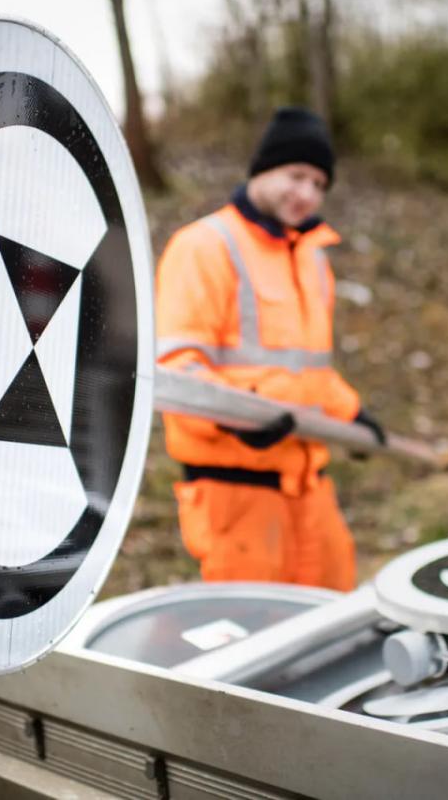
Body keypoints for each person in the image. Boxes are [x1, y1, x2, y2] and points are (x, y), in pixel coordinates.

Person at [155, 107, 383, 591]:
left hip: (311, 488)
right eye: (297, 175)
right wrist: (244, 413)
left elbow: (309, 370)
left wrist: (352, 414)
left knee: (331, 620)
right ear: (263, 169)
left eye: (320, 184)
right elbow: (176, 370)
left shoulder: (313, 260)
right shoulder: (203, 246)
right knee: (254, 634)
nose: (308, 194)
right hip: (236, 495)